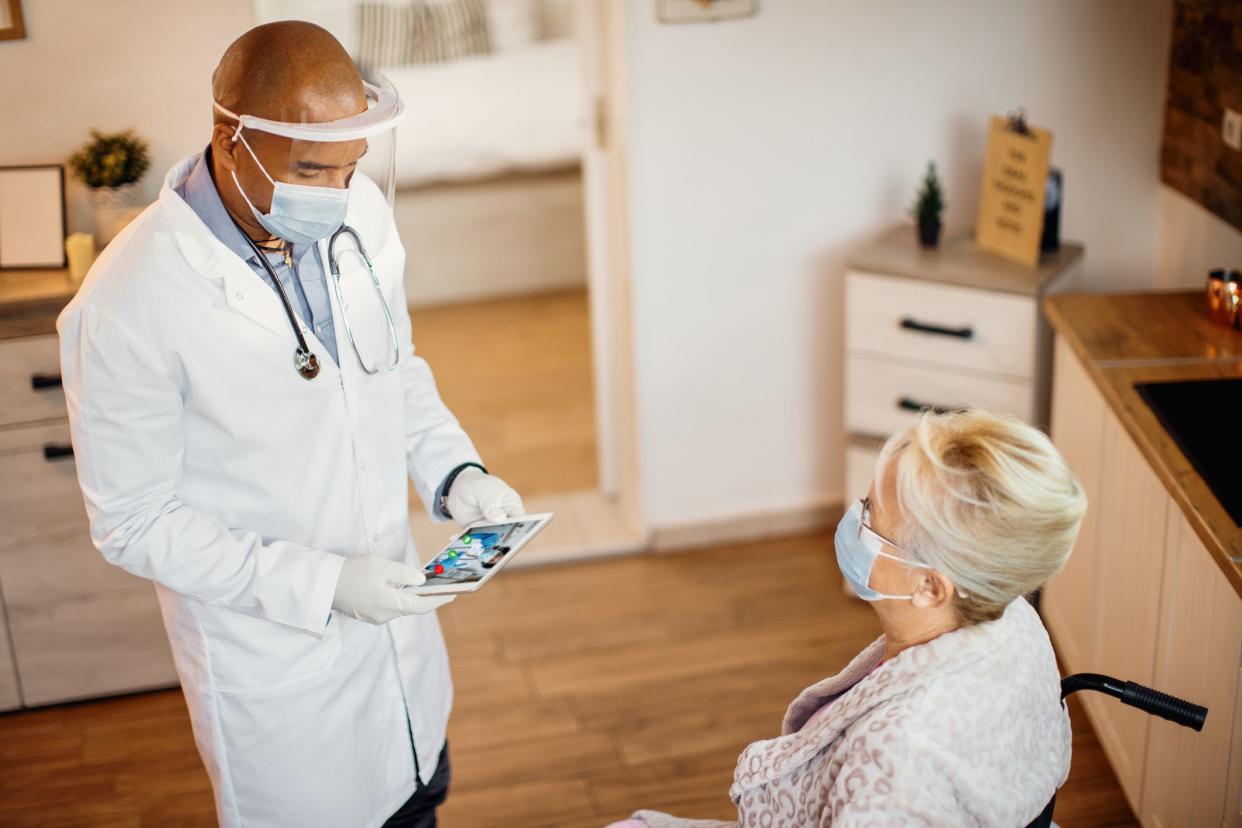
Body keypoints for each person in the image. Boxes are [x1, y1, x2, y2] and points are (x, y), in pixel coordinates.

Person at [57, 22, 523, 828]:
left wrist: (457, 473)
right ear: (229, 139)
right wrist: (325, 584)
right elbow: (134, 524)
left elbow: (394, 368)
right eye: (312, 169)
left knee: (420, 801)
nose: (337, 195)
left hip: (402, 660)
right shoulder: (124, 304)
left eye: (350, 169)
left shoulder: (359, 215)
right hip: (280, 676)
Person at [613, 409, 1086, 827]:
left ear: (928, 587)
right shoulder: (1015, 617)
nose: (851, 523)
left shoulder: (894, 760)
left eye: (870, 519)